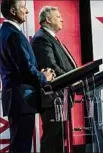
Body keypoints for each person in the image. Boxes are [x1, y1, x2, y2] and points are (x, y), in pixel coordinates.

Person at [0, 0, 54, 152]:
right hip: (22, 99)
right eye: (23, 7)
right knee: (21, 147)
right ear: (12, 10)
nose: (27, 11)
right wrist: (44, 77)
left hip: (18, 99)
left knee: (20, 145)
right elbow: (25, 68)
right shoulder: (13, 34)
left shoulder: (6, 32)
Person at [30, 6, 77, 152]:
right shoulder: (41, 38)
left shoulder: (51, 38)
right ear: (48, 20)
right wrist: (73, 79)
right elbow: (50, 66)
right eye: (58, 16)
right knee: (52, 139)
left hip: (61, 97)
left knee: (58, 139)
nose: (62, 19)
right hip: (53, 98)